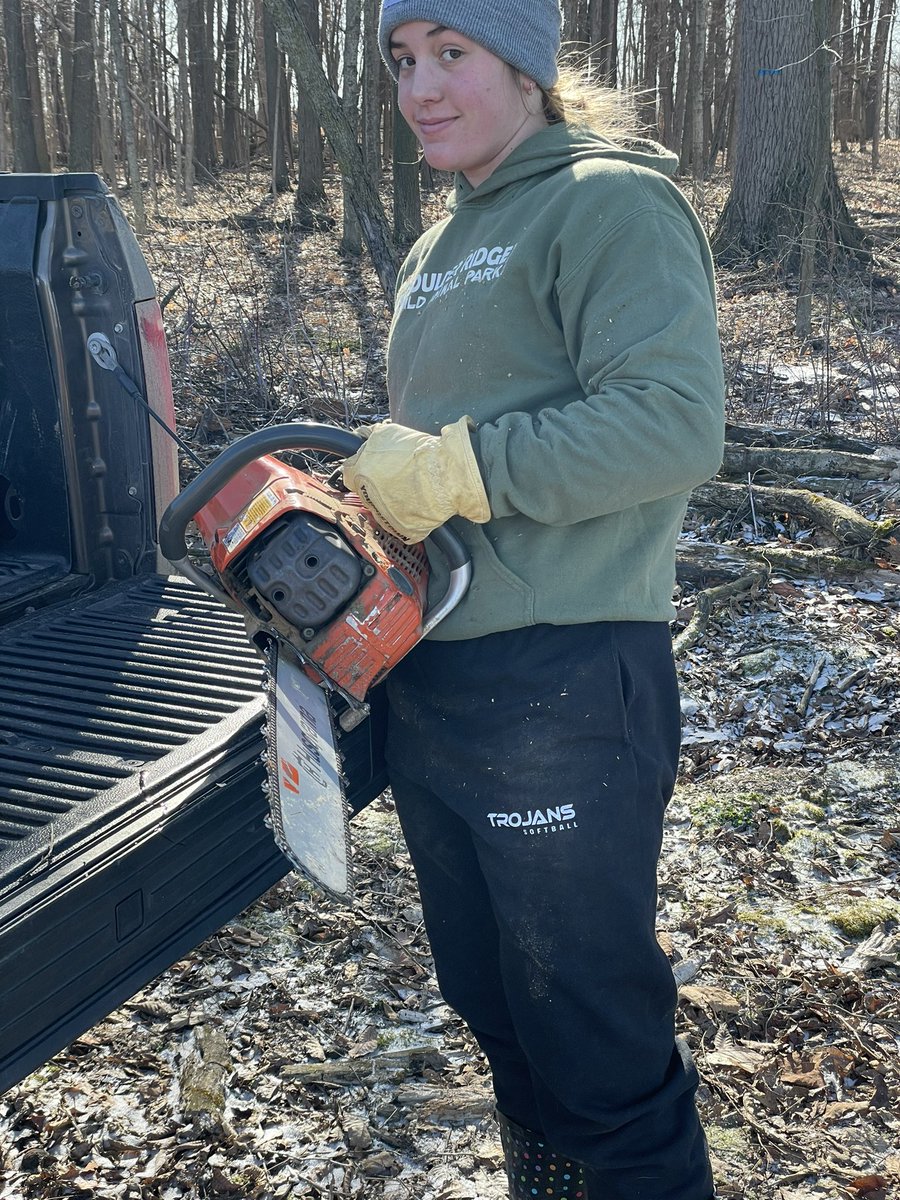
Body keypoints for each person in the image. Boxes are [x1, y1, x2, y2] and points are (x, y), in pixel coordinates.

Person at [342, 2, 725, 1197]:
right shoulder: (440, 237)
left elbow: (673, 423)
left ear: (527, 66)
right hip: (437, 670)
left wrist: (461, 468)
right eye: (405, 61)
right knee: (497, 1000)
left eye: (452, 54)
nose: (422, 88)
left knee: (592, 1031)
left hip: (562, 675)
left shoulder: (608, 201)